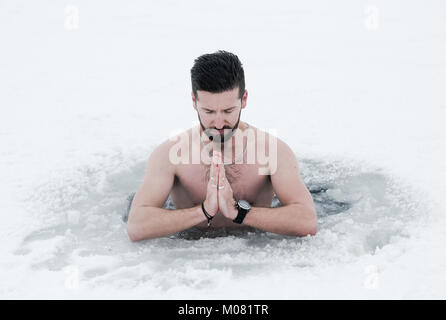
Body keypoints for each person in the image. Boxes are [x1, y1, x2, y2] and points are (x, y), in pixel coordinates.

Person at [126, 50, 317, 241]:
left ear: (244, 99)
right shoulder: (170, 154)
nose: (218, 123)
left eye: (228, 111)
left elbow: (307, 221)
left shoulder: (272, 151)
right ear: (194, 101)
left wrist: (239, 213)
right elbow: (136, 226)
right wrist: (203, 211)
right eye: (208, 111)